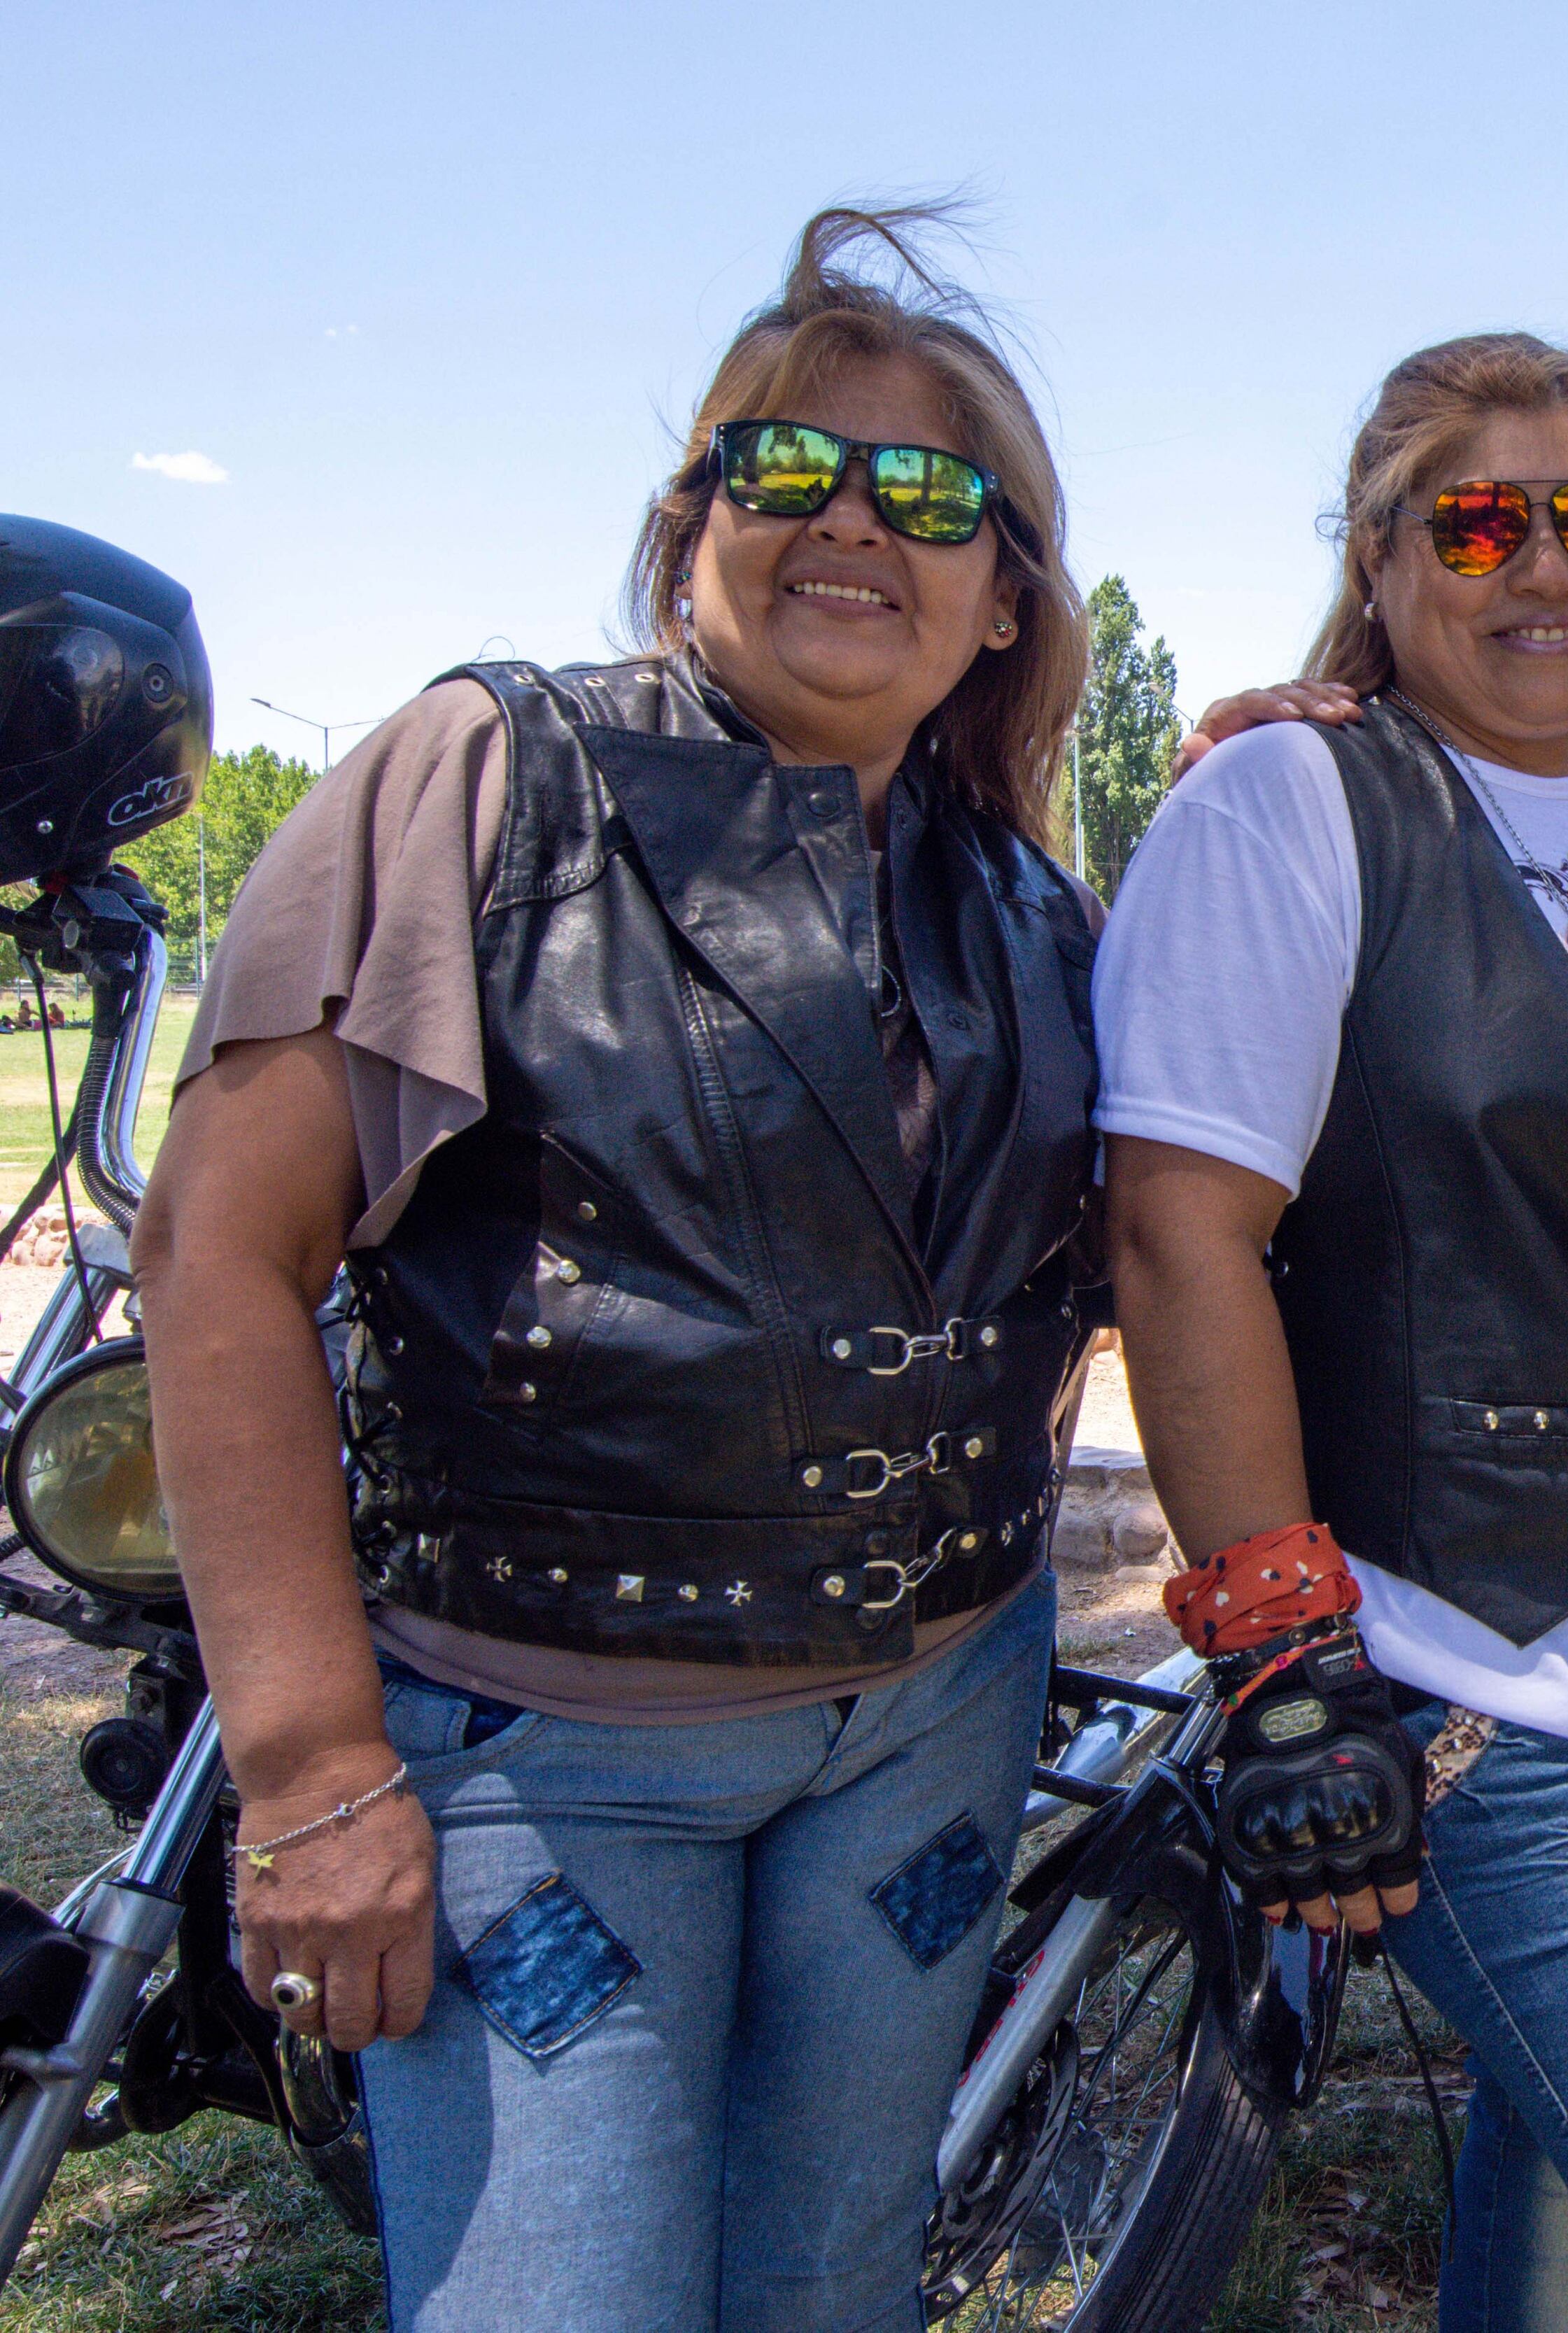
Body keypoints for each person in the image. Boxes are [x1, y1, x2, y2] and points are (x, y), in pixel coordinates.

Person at [132, 208, 1113, 2332]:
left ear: (1005, 588)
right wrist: (307, 1768)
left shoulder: (1036, 905)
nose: (857, 520)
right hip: (546, 1758)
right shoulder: (487, 779)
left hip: (938, 1723)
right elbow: (220, 1251)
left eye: (934, 493)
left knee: (830, 2288)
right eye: (788, 468)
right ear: (692, 526)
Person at [1094, 331, 1568, 2333]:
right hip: (1456, 1665)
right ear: (1383, 546)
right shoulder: (1287, 805)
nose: (1547, 565)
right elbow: (1179, 1237)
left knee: (1559, 2170)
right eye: (1482, 517)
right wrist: (1283, 1660)